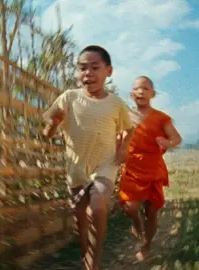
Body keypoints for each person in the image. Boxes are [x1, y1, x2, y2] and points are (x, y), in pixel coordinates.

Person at [42, 45, 134, 270]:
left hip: (105, 165)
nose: (88, 73)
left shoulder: (116, 104)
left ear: (108, 71)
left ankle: (94, 262)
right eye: (82, 68)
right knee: (80, 219)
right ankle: (85, 251)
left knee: (98, 206)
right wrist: (53, 124)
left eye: (95, 67)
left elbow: (128, 129)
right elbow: (47, 133)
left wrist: (123, 149)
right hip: (76, 169)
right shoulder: (69, 98)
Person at [117, 76, 182, 260]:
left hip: (154, 167)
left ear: (152, 94)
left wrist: (166, 142)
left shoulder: (161, 118)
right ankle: (136, 222)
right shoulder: (125, 117)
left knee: (151, 211)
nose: (141, 91)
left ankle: (146, 245)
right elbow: (119, 139)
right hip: (132, 167)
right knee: (130, 207)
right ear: (131, 95)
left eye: (145, 88)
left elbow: (177, 139)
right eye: (137, 88)